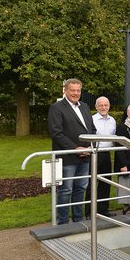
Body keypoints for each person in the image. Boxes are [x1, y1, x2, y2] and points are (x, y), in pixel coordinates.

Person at [48, 78, 96, 225]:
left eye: (78, 90)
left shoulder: (85, 107)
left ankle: (78, 219)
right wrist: (75, 149)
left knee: (81, 188)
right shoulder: (57, 108)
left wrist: (89, 147)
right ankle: (62, 222)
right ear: (65, 90)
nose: (76, 93)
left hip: (85, 156)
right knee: (66, 190)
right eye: (72, 90)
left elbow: (92, 130)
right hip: (67, 157)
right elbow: (56, 133)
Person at [84, 96, 115, 218]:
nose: (103, 107)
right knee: (91, 183)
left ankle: (103, 210)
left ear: (109, 106)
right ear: (96, 107)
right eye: (101, 105)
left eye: (106, 105)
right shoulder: (91, 119)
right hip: (94, 154)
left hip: (107, 154)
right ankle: (89, 212)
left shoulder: (112, 120)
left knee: (106, 182)